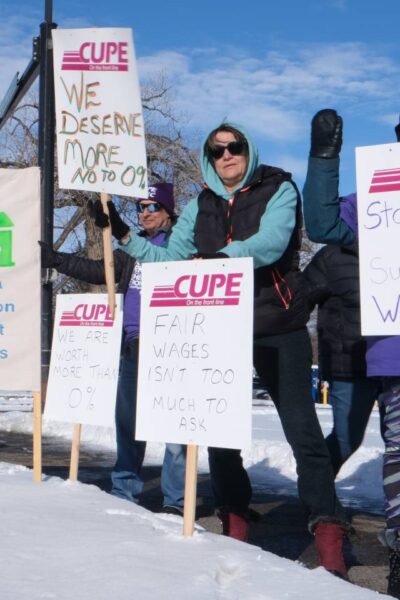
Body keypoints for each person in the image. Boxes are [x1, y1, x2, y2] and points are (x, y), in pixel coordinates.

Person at [95, 122, 349, 577]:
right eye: (217, 151)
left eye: (235, 147)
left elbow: (270, 244)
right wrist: (124, 236)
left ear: (249, 149)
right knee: (218, 431)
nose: (226, 156)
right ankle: (234, 514)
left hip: (276, 321)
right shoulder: (200, 205)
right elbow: (169, 258)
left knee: (302, 431)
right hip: (219, 325)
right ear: (208, 158)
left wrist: (222, 259)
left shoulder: (278, 187)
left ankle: (327, 527)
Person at [41, 183, 187, 513]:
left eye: (152, 207)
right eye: (141, 207)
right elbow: (99, 270)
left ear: (167, 211)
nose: (145, 213)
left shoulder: (182, 245)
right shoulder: (131, 250)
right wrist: (56, 260)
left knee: (174, 427)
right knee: (128, 423)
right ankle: (124, 492)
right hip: (132, 348)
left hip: (173, 349)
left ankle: (176, 501)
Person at [303, 109, 400, 596]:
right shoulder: (379, 204)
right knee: (375, 446)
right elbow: (320, 221)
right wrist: (324, 157)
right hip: (380, 358)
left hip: (378, 355)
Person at [303, 196, 379, 475]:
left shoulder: (392, 253)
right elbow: (299, 301)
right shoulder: (331, 257)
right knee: (347, 439)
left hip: (392, 363)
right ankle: (316, 492)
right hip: (349, 365)